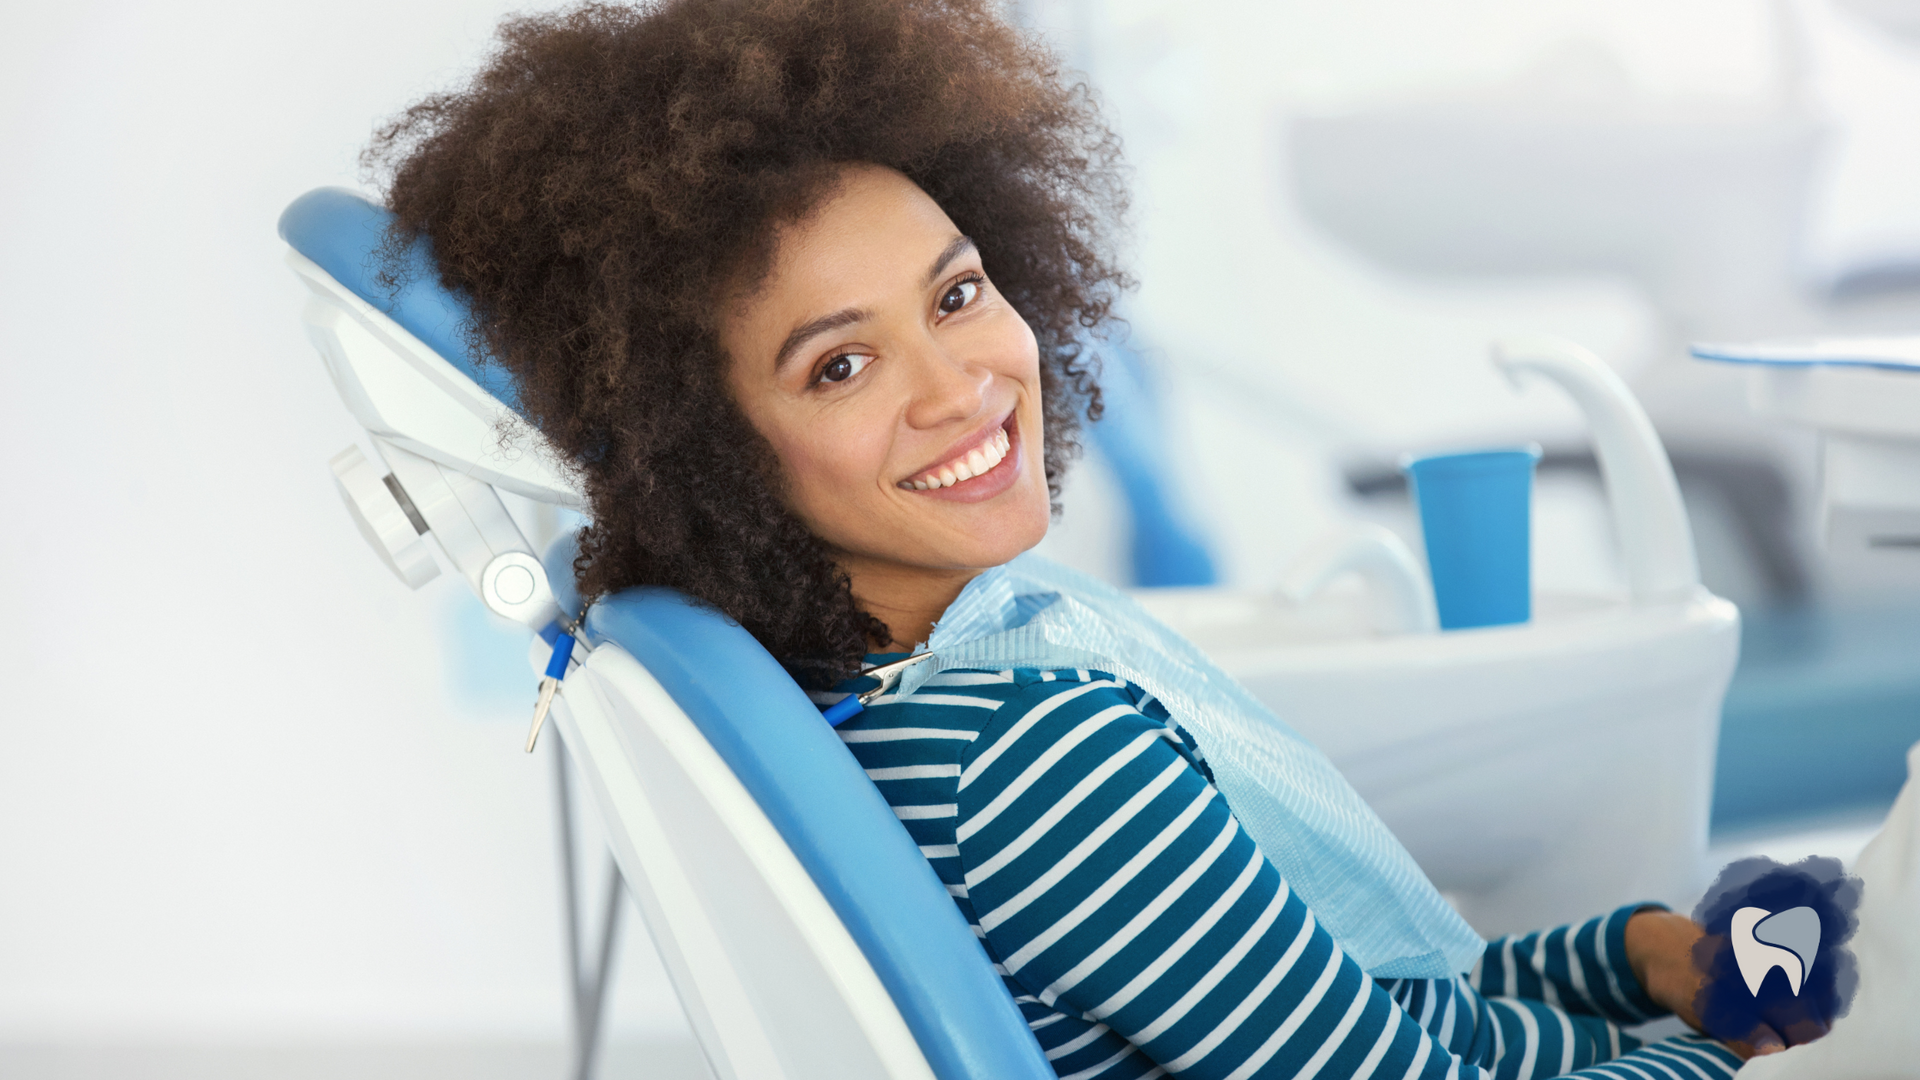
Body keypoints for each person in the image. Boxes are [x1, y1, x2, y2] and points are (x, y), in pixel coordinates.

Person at [364, 1, 1800, 1074]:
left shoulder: (920, 704)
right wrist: (1750, 1049)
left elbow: (1364, 1012)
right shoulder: (1036, 763)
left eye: (955, 292)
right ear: (708, 454)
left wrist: (1628, 959)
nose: (961, 384)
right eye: (838, 367)